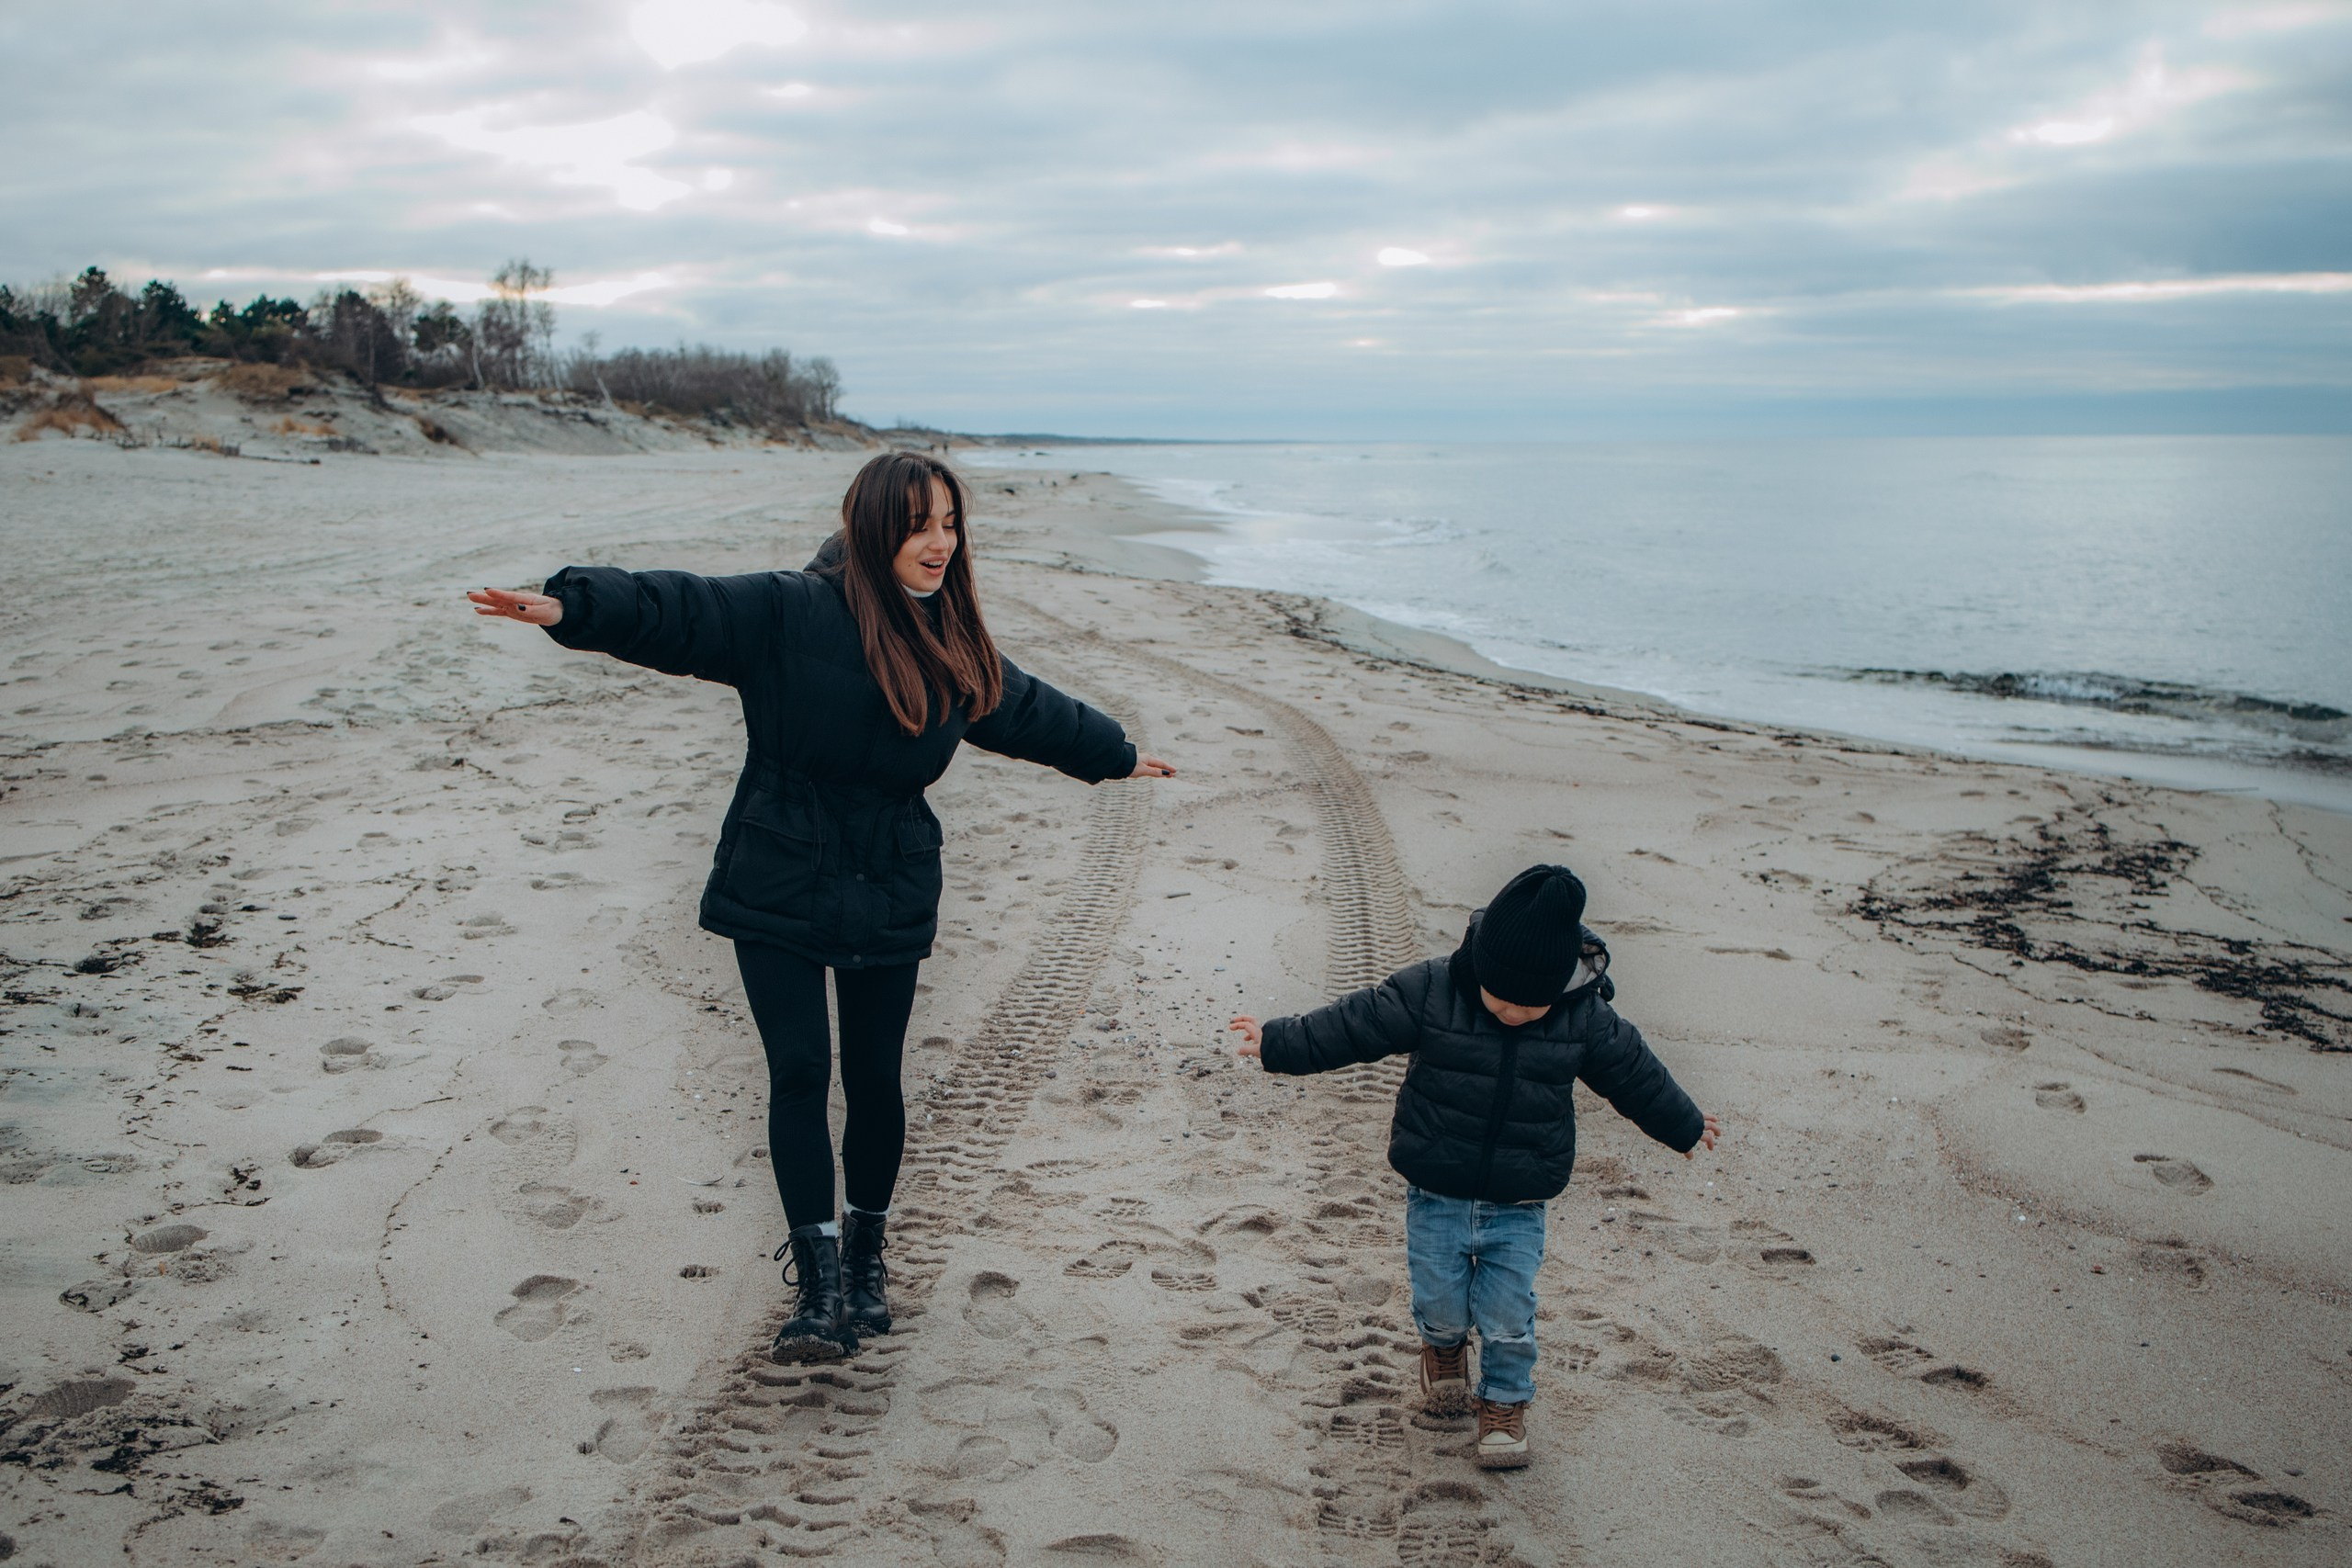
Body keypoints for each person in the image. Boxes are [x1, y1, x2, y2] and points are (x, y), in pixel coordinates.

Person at [469, 452, 1174, 1364]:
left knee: (875, 1080)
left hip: (890, 875)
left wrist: (1113, 753)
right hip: (780, 870)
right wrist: (573, 608)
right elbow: (681, 610)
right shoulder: (790, 611)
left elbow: (1025, 709)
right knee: (800, 1073)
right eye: (920, 523)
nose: (938, 543)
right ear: (875, 525)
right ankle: (820, 1282)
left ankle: (869, 1261)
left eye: (951, 525)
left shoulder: (950, 644)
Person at [1228, 864, 1721, 1469]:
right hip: (1436, 1189)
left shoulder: (1582, 1015)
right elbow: (1355, 1024)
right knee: (1441, 1302)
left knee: (1509, 1314)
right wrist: (1276, 1042)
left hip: (1521, 1201)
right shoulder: (1434, 989)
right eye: (1502, 998)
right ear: (1480, 965)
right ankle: (1442, 1349)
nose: (1514, 1012)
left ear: (1559, 987)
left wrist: (1686, 1125)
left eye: (1531, 1003)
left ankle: (1505, 1405)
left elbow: (1635, 1074)